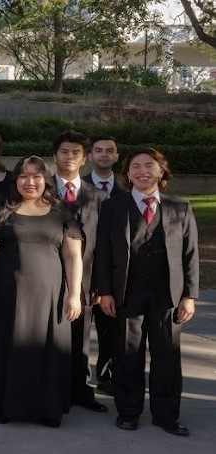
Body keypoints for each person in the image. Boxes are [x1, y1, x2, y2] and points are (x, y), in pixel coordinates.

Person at [94, 148, 198, 437]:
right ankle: (128, 412)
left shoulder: (181, 207)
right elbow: (103, 252)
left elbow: (190, 254)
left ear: (161, 170)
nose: (142, 171)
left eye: (149, 165)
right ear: (127, 174)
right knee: (127, 355)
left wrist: (189, 295)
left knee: (167, 357)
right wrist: (104, 292)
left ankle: (167, 415)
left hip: (168, 295)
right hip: (127, 292)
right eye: (135, 166)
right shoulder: (113, 207)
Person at [0, 156, 85, 427]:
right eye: (23, 176)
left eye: (36, 176)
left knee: (47, 347)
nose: (30, 182)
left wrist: (74, 294)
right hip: (6, 293)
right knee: (6, 347)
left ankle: (47, 409)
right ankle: (3, 406)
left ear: (45, 180)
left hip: (50, 294)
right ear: (15, 181)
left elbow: (73, 256)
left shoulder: (63, 212)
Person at [50, 131, 111, 414]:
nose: (70, 157)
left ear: (85, 159)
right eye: (64, 152)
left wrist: (100, 283)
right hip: (46, 275)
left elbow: (105, 243)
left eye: (76, 153)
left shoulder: (98, 197)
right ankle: (51, 388)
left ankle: (80, 390)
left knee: (80, 336)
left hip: (85, 278)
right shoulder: (41, 188)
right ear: (55, 156)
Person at [84, 135, 122, 394]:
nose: (104, 155)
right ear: (90, 156)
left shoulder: (129, 189)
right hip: (84, 269)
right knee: (80, 328)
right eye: (99, 150)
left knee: (112, 329)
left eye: (110, 151)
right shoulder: (79, 188)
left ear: (117, 156)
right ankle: (76, 378)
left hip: (115, 272)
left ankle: (108, 376)